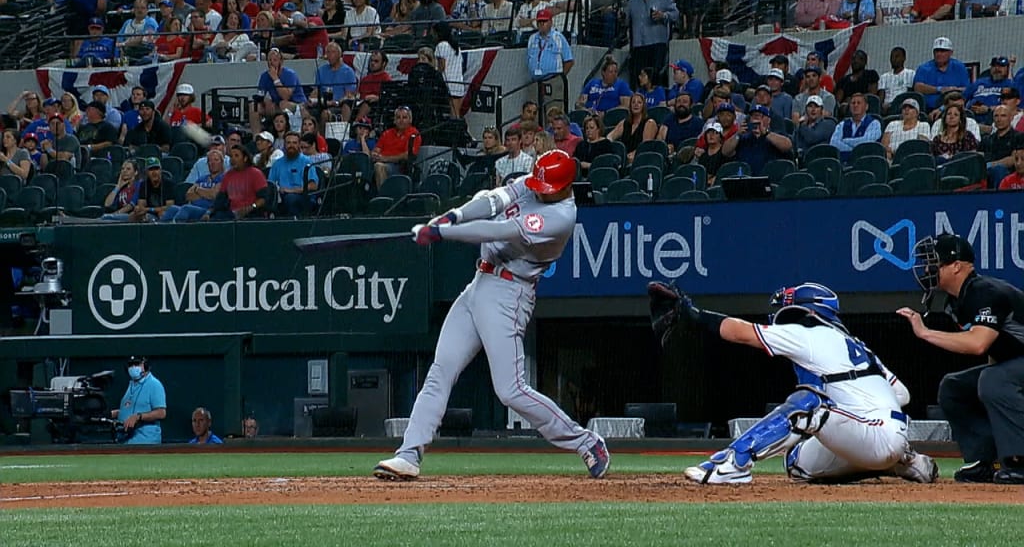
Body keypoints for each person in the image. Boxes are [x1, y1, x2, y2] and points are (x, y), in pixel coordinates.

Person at [373, 150, 610, 481]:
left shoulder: (560, 216)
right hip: (479, 282)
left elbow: (495, 231)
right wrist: (451, 217)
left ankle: (586, 441)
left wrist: (442, 234)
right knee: (441, 369)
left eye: (546, 185)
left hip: (509, 294)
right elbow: (492, 201)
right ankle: (409, 453)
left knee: (511, 390)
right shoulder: (534, 185)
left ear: (563, 186)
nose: (538, 189)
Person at [648, 281, 937, 485]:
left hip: (873, 435)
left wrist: (693, 315)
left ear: (808, 312)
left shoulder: (810, 333)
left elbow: (742, 333)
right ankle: (901, 462)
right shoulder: (856, 345)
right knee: (797, 463)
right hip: (879, 434)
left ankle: (734, 464)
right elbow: (902, 394)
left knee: (811, 404)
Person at [898, 233, 1024, 485]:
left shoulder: (984, 291)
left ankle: (1019, 460)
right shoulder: (958, 300)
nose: (928, 269)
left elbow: (978, 344)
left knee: (994, 379)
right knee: (955, 386)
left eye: (935, 263)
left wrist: (924, 332)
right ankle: (985, 460)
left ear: (957, 266)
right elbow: (996, 351)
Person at [624, 0, 678, 89]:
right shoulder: (633, 0)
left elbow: (675, 14)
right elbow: (626, 20)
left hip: (657, 43)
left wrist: (663, 16)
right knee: (639, 75)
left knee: (656, 75)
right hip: (639, 45)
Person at [112, 356, 167, 445]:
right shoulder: (132, 385)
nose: (133, 367)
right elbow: (133, 408)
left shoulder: (154, 384)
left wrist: (138, 417)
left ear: (145, 365)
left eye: (137, 364)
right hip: (126, 435)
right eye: (130, 365)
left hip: (145, 437)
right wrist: (116, 413)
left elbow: (161, 413)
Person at [162, 149, 225, 222]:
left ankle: (174, 230)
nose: (212, 163)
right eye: (210, 161)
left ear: (222, 162)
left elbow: (213, 195)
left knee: (186, 209)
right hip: (194, 207)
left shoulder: (224, 178)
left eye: (216, 160)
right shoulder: (202, 178)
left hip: (208, 210)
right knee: (172, 209)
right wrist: (206, 194)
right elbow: (188, 195)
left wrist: (197, 190)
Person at [914, 37, 970, 113]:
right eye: (937, 51)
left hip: (954, 108)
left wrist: (952, 90)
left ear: (951, 53)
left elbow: (967, 89)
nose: (939, 54)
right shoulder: (924, 68)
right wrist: (939, 89)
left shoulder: (959, 67)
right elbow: (918, 87)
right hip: (929, 109)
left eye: (943, 51)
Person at [268, 131, 317, 216]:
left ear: (299, 145)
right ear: (284, 145)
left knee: (291, 198)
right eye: (288, 143)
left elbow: (313, 186)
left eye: (294, 143)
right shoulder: (277, 164)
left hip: (303, 196)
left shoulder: (306, 161)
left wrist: (291, 190)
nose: (291, 145)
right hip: (281, 197)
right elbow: (270, 185)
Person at [372, 106, 421, 188]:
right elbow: (376, 150)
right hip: (381, 162)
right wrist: (374, 154)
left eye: (404, 117)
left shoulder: (414, 134)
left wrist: (385, 158)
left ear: (410, 120)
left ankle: (384, 198)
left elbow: (408, 155)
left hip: (399, 167)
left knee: (379, 166)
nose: (401, 120)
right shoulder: (387, 133)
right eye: (398, 117)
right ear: (394, 120)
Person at [606, 93, 658, 166]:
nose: (636, 104)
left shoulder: (649, 123)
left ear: (644, 106)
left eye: (639, 102)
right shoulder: (625, 122)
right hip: (624, 159)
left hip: (641, 159)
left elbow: (645, 145)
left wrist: (634, 154)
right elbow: (610, 136)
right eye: (633, 102)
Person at [829, 93, 882, 164]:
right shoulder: (842, 124)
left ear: (866, 107)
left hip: (866, 163)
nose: (855, 105)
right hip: (844, 163)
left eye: (859, 103)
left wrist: (844, 141)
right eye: (853, 103)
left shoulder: (874, 123)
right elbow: (834, 143)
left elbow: (866, 142)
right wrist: (855, 150)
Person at [878, 46, 916, 112]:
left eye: (897, 56)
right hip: (886, 108)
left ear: (904, 58)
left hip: (903, 106)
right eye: (892, 57)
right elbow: (881, 97)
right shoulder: (884, 77)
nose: (893, 59)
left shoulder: (911, 74)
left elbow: (910, 94)